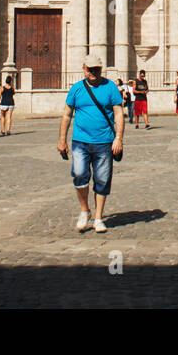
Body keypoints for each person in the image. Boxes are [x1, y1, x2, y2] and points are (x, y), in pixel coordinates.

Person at [57, 55, 125, 233]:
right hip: (80, 141)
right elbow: (66, 115)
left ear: (101, 69)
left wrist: (118, 138)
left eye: (96, 69)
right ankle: (84, 210)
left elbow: (118, 113)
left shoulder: (110, 87)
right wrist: (62, 140)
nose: (93, 72)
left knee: (102, 180)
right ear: (84, 68)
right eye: (90, 69)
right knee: (79, 175)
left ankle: (98, 218)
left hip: (104, 142)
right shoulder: (77, 89)